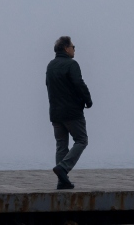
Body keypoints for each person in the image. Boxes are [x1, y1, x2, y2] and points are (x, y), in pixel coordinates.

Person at [46, 35, 92, 190]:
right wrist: (88, 100)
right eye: (73, 47)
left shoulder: (51, 66)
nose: (74, 49)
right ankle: (63, 168)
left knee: (61, 145)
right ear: (66, 48)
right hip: (72, 112)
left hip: (56, 113)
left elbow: (49, 86)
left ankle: (62, 181)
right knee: (81, 140)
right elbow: (79, 83)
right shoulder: (71, 64)